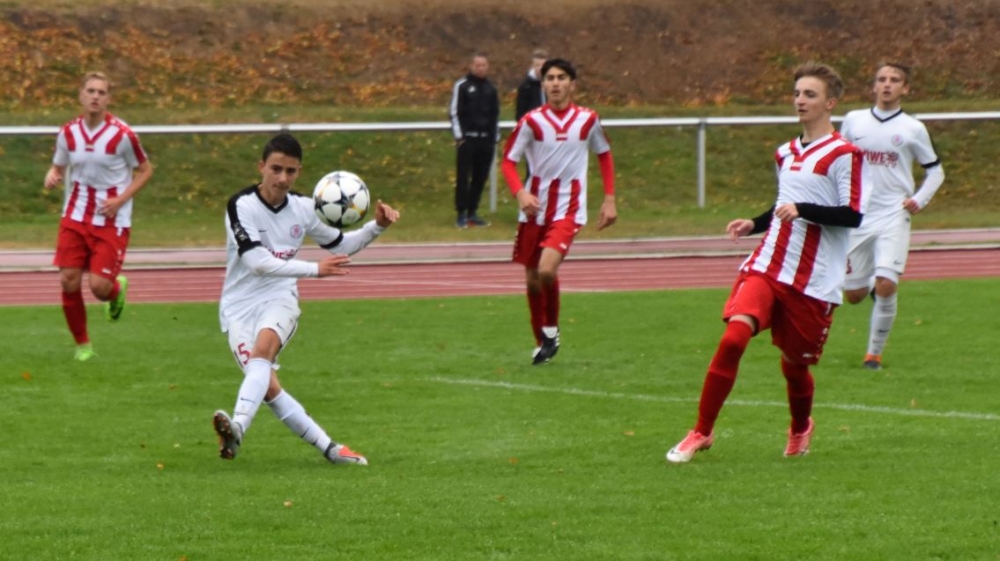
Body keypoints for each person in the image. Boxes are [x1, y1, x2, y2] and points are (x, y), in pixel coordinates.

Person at [665, 62, 869, 463]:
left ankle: (800, 427)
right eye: (797, 93)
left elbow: (852, 215)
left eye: (810, 94)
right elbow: (782, 205)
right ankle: (701, 431)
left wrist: (803, 209)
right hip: (769, 263)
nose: (800, 100)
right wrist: (754, 223)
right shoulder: (785, 152)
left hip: (813, 279)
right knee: (733, 338)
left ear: (830, 102)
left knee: (795, 367)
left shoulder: (845, 154)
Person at [211, 133, 400, 465]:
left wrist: (377, 227)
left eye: (291, 171)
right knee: (268, 387)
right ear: (261, 167)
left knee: (262, 353)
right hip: (238, 306)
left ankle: (237, 426)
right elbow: (257, 263)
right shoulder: (241, 205)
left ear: (299, 172)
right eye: (276, 169)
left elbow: (341, 245)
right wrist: (315, 269)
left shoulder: (303, 208)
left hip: (279, 297)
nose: (283, 179)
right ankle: (331, 449)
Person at [501, 58, 618, 365]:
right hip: (534, 210)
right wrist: (521, 193)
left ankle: (551, 332)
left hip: (569, 210)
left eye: (561, 77)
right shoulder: (531, 121)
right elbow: (508, 161)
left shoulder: (588, 120)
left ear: (572, 84)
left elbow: (604, 154)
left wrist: (609, 199)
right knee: (532, 279)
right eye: (550, 78)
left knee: (546, 270)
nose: (555, 83)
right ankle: (541, 343)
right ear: (543, 84)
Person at [840, 62, 945, 371]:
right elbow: (839, 160)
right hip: (859, 215)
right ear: (874, 86)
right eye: (882, 79)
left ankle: (873, 356)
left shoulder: (913, 129)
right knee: (854, 295)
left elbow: (936, 171)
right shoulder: (854, 121)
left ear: (905, 88)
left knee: (887, 283)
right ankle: (872, 286)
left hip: (894, 213)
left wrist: (919, 199)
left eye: (895, 80)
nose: (887, 84)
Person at [43, 71, 153, 362]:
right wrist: (52, 174)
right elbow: (58, 165)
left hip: (111, 218)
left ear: (108, 99)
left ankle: (115, 290)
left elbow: (146, 171)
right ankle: (83, 346)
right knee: (68, 280)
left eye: (101, 92)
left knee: (99, 288)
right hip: (75, 215)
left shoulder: (122, 135)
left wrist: (120, 200)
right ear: (81, 95)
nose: (95, 96)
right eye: (90, 91)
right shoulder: (68, 133)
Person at [449, 52, 500, 228]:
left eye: (483, 65)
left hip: (485, 140)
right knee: (463, 177)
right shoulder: (462, 86)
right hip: (467, 140)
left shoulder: (491, 89)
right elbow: (454, 112)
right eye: (477, 65)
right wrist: (460, 137)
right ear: (471, 66)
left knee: (480, 177)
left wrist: (494, 138)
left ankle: (473, 212)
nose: (480, 68)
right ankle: (461, 213)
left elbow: (495, 115)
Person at [515, 49, 548, 122]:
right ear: (532, 66)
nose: (540, 68)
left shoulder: (552, 84)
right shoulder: (525, 87)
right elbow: (520, 113)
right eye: (537, 65)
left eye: (543, 65)